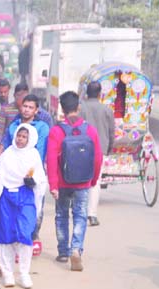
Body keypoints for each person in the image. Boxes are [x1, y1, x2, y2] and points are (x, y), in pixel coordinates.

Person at [46, 91, 103, 272]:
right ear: (78, 107)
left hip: (63, 182)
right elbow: (98, 158)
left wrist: (53, 185)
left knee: (61, 215)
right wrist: (92, 179)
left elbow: (51, 160)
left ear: (62, 109)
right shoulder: (90, 130)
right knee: (79, 215)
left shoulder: (56, 131)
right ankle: (76, 248)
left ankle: (63, 251)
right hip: (83, 182)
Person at [0, 125, 47, 288]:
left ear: (30, 139)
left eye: (24, 137)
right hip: (6, 198)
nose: (20, 139)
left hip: (25, 196)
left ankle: (24, 273)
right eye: (19, 136)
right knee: (5, 236)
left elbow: (41, 181)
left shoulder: (34, 156)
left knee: (25, 235)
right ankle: (7, 273)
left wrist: (32, 182)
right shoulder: (7, 155)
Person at [80, 81, 115, 227]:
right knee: (95, 182)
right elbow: (111, 132)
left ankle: (80, 211)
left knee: (81, 181)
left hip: (81, 149)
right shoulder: (107, 110)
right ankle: (92, 215)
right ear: (100, 93)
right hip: (99, 150)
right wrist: (109, 148)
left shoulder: (80, 108)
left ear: (86, 92)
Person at [0, 94, 50, 163]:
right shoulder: (14, 125)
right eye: (25, 106)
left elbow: (40, 152)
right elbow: (6, 146)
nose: (27, 110)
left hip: (30, 166)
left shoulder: (42, 127)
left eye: (30, 108)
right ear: (21, 107)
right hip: (12, 165)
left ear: (36, 110)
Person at [0, 82, 28, 149]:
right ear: (14, 95)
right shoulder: (5, 109)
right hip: (9, 147)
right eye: (19, 95)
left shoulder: (31, 111)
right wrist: (0, 147)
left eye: (24, 95)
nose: (21, 98)